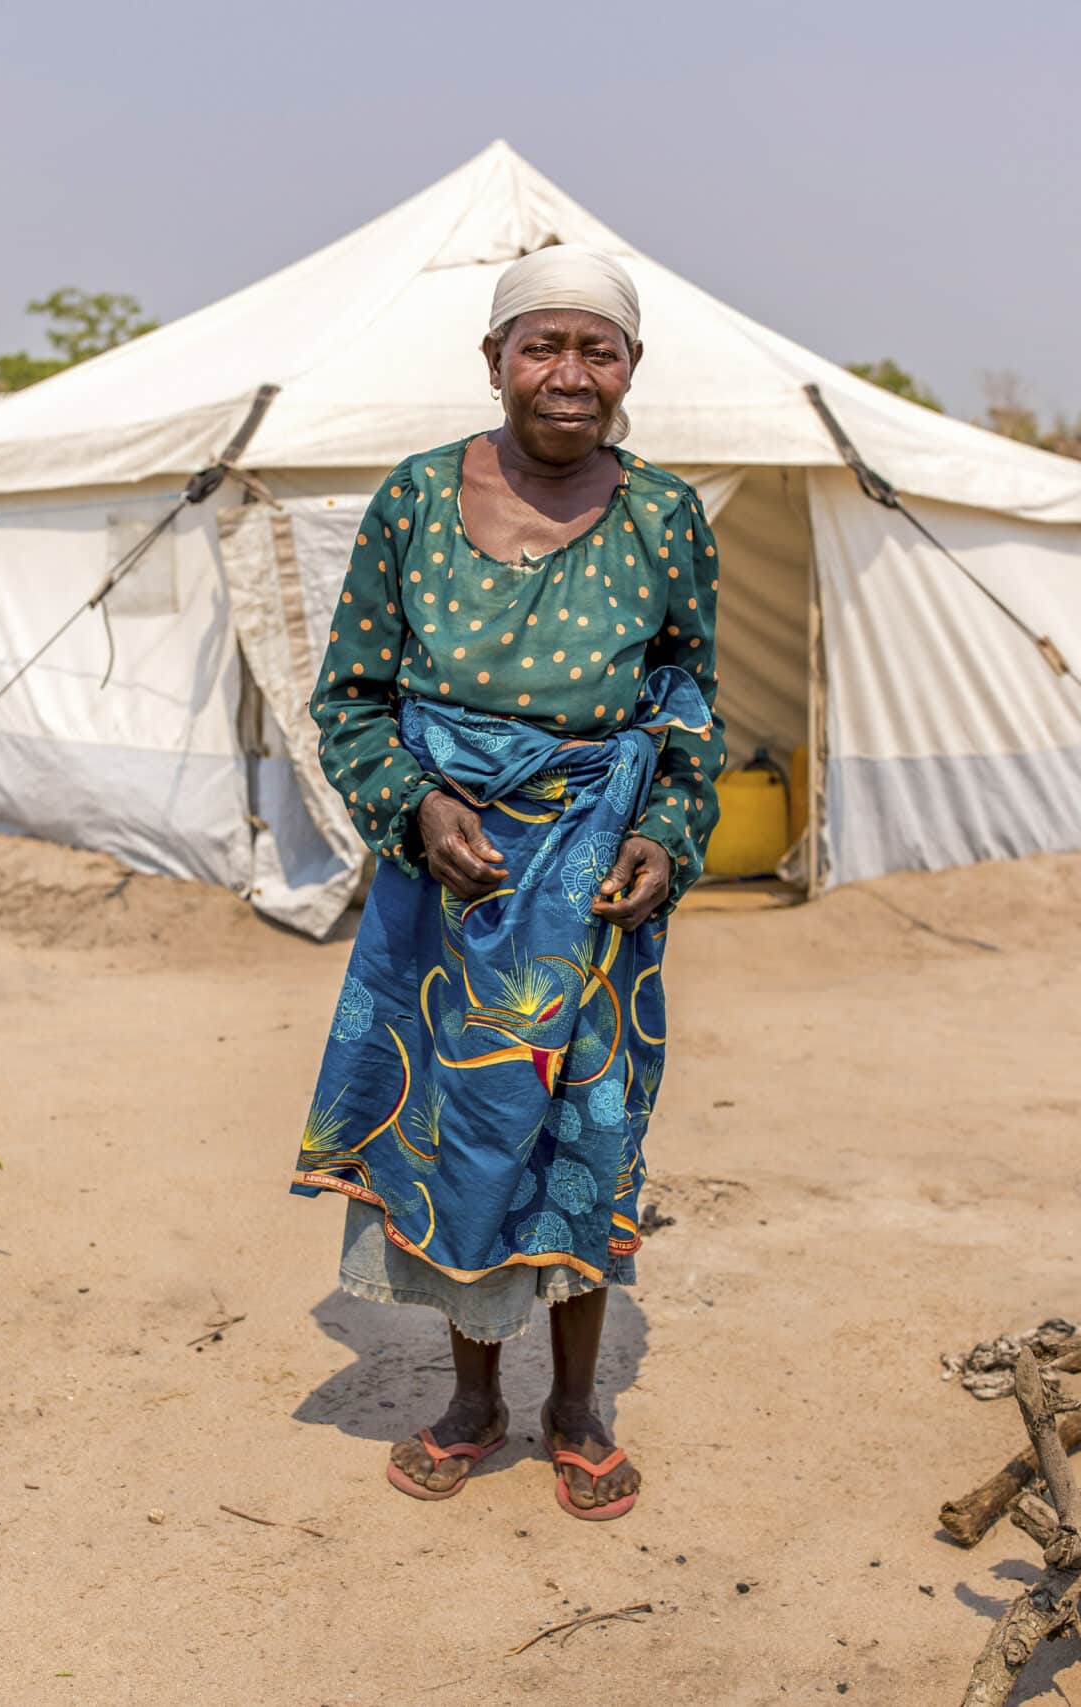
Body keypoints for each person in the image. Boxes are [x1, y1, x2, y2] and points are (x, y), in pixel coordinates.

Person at [288, 246, 724, 1521]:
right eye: (543, 346)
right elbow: (351, 702)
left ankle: (575, 1407)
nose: (569, 374)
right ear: (494, 363)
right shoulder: (415, 501)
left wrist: (670, 835)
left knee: (586, 1135)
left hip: (592, 883)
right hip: (449, 884)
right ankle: (474, 1399)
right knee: (455, 1135)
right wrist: (415, 806)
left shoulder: (664, 515)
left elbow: (688, 704)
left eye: (598, 349)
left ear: (630, 368)